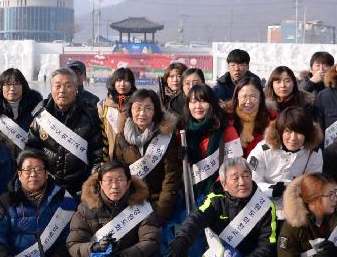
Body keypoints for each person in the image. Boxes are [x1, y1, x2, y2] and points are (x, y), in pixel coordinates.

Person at [26, 67, 104, 197]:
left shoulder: (90, 118)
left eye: (68, 86)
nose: (62, 90)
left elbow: (98, 157)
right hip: (46, 190)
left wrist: (89, 187)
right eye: (58, 86)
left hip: (80, 191)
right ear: (51, 89)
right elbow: (30, 151)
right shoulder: (41, 117)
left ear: (76, 89)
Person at [111, 89, 180, 226]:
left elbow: (171, 178)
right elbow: (116, 172)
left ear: (155, 112)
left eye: (148, 108)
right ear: (131, 110)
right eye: (138, 108)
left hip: (157, 202)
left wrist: (162, 212)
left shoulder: (166, 137)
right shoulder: (121, 137)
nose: (142, 113)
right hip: (129, 204)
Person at [247, 107, 323, 217]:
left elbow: (314, 186)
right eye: (288, 131)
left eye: (299, 132)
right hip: (263, 209)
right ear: (280, 130)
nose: (293, 138)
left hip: (296, 210)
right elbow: (251, 182)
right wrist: (272, 190)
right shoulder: (263, 149)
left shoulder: (313, 153)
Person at [183, 84, 242, 200]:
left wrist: (218, 185)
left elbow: (235, 164)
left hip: (219, 193)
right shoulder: (183, 131)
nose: (198, 106)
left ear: (212, 104)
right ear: (188, 105)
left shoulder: (227, 130)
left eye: (203, 101)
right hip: (190, 194)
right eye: (193, 102)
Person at [0, 68, 44, 158]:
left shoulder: (38, 111)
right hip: (3, 164)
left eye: (16, 84)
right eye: (7, 84)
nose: (12, 88)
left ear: (23, 86)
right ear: (1, 87)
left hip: (30, 163)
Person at [227, 75, 276, 157]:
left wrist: (260, 150)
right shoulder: (226, 119)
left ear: (260, 99)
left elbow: (275, 146)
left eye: (253, 97)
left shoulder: (272, 120)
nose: (248, 101)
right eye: (244, 96)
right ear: (237, 98)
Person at [99, 67, 138, 159]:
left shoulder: (139, 104)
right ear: (113, 83)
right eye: (119, 80)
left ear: (132, 83)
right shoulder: (103, 105)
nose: (122, 84)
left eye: (126, 80)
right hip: (110, 156)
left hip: (134, 155)